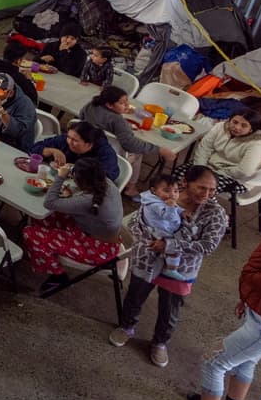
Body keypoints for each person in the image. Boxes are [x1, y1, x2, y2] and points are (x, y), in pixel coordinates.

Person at [110, 165, 229, 368]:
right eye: (201, 188)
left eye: (212, 190)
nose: (207, 194)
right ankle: (127, 326)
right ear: (184, 183)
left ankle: (160, 342)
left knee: (170, 309)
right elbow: (138, 222)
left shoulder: (215, 213)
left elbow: (207, 245)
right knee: (135, 295)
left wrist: (169, 245)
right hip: (148, 259)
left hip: (180, 270)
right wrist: (151, 242)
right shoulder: (162, 195)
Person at [170, 237, 261, 400]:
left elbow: (257, 273)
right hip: (260, 312)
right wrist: (248, 297)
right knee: (246, 360)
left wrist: (251, 279)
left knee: (214, 362)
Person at [22, 157, 124, 293]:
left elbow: (49, 203)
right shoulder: (107, 183)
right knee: (43, 217)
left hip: (96, 248)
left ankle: (58, 275)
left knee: (30, 233)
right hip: (98, 235)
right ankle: (41, 252)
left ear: (83, 181)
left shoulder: (88, 200)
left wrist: (60, 177)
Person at [78, 86, 176, 197]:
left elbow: (81, 117)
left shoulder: (91, 105)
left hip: (86, 145)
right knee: (138, 153)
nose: (127, 105)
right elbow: (130, 144)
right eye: (122, 103)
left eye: (127, 101)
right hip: (111, 153)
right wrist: (159, 149)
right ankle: (131, 188)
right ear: (109, 105)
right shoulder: (117, 120)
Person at [183, 111, 261, 195]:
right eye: (235, 122)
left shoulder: (258, 143)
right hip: (208, 165)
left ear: (251, 129)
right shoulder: (220, 127)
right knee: (179, 175)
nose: (237, 127)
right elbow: (204, 148)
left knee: (200, 189)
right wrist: (200, 167)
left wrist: (212, 173)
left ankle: (194, 207)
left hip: (235, 178)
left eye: (244, 126)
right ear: (230, 120)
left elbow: (244, 172)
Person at [30, 120, 120, 183]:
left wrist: (77, 169)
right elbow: (33, 148)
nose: (69, 142)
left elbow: (108, 178)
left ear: (89, 144)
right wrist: (51, 150)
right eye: (69, 137)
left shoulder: (105, 153)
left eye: (75, 140)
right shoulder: (65, 140)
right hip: (56, 181)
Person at [138, 174, 186, 282]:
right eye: (167, 191)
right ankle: (171, 269)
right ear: (154, 190)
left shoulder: (157, 198)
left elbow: (176, 208)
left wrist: (181, 211)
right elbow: (168, 215)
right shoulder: (155, 204)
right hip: (158, 232)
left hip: (161, 227)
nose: (172, 195)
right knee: (176, 247)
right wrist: (171, 206)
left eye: (176, 191)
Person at [0, 39, 39, 104]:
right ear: (19, 60)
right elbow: (33, 98)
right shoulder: (18, 77)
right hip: (5, 106)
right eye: (23, 59)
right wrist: (29, 79)